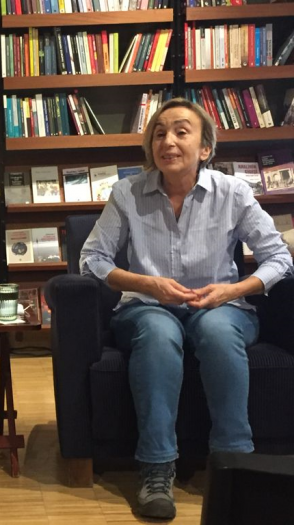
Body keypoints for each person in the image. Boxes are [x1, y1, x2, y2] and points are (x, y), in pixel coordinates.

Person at [79, 98, 293, 520]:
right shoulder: (127, 193)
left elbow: (279, 259)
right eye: (159, 133)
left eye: (181, 131)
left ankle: (235, 464)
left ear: (205, 148)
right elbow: (92, 259)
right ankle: (156, 469)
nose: (168, 141)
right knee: (159, 335)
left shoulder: (233, 193)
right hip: (146, 307)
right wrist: (148, 284)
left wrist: (233, 291)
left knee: (218, 333)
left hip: (221, 307)